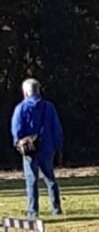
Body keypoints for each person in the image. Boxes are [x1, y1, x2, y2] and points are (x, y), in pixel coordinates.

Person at [10, 78, 64, 219]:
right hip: (48, 148)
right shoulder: (49, 107)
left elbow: (16, 129)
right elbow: (57, 128)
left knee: (31, 180)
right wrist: (58, 147)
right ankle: (56, 209)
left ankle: (33, 211)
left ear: (25, 92)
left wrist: (18, 143)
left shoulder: (21, 108)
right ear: (38, 91)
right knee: (50, 178)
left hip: (30, 149)